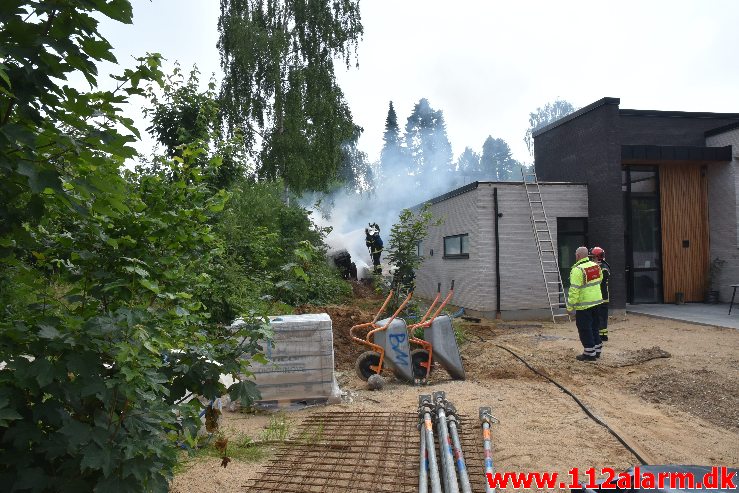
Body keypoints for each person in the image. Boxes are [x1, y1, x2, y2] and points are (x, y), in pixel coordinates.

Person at [566, 246, 604, 361]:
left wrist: (570, 306)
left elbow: (574, 290)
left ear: (577, 256)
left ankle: (589, 353)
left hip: (584, 305)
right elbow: (600, 280)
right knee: (595, 326)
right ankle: (597, 350)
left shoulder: (578, 270)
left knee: (584, 328)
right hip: (597, 303)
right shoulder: (596, 266)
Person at [590, 246, 610, 341]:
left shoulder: (603, 268)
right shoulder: (601, 266)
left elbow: (598, 280)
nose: (592, 259)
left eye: (593, 257)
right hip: (600, 295)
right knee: (600, 316)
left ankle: (603, 335)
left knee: (601, 316)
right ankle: (601, 333)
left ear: (597, 257)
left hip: (602, 296)